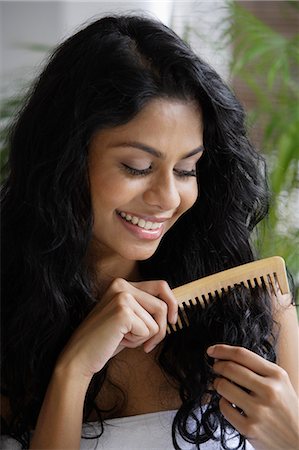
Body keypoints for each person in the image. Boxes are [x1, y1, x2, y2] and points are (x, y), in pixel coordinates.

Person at [1, 14, 298, 450]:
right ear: (65, 161)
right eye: (137, 167)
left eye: (185, 170)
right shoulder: (9, 326)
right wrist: (73, 371)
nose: (167, 198)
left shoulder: (255, 311)